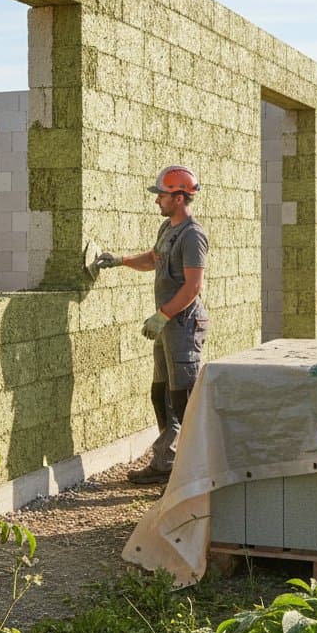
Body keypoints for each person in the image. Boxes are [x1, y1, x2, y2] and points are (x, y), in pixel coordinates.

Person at [96, 166, 209, 485]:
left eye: (161, 194)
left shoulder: (193, 235)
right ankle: (165, 462)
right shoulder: (167, 229)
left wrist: (163, 315)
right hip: (168, 325)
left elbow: (193, 286)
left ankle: (189, 477)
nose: (157, 199)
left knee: (183, 399)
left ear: (178, 196)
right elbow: (153, 258)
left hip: (183, 324)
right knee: (160, 395)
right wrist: (120, 261)